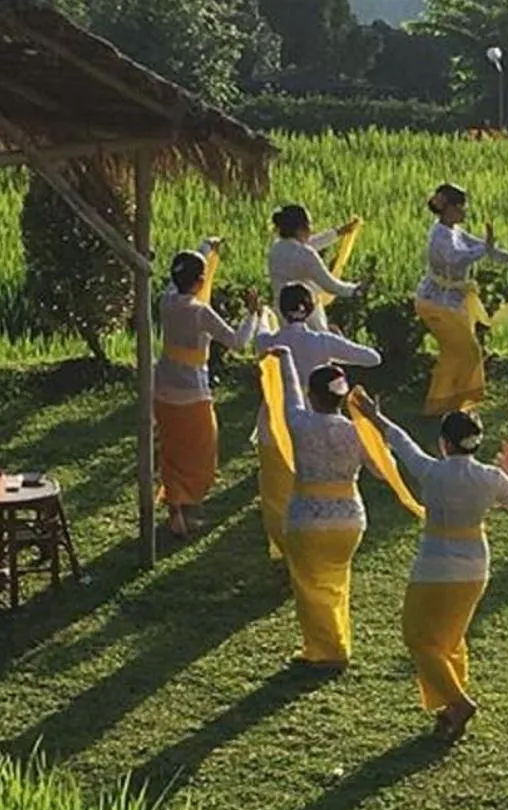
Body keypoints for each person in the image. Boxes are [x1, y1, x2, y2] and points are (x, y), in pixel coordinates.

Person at [364, 401, 508, 739]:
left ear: (444, 443)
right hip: (475, 566)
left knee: (417, 637)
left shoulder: (432, 471)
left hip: (435, 565)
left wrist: (373, 415)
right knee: (449, 640)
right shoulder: (491, 477)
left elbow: (400, 441)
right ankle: (449, 707)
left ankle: (458, 701)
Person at [253, 283, 382, 559]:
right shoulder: (323, 342)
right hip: (321, 422)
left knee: (277, 493)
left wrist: (261, 314)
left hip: (275, 424)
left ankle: (287, 547)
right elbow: (373, 358)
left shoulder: (269, 342)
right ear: (310, 309)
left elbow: (259, 336)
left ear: (282, 310)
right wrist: (337, 341)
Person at [269, 351, 370, 669]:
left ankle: (326, 650)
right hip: (349, 518)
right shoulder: (357, 431)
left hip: (307, 518)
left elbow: (289, 391)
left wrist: (286, 358)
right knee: (337, 581)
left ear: (313, 395)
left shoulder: (300, 423)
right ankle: (334, 642)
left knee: (310, 587)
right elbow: (381, 470)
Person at [155, 242, 258, 539]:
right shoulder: (201, 312)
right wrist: (253, 315)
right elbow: (238, 343)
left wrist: (206, 249)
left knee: (172, 449)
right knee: (202, 453)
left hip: (164, 386)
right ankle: (187, 506)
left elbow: (181, 276)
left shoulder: (167, 300)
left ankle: (175, 504)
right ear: (200, 282)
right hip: (192, 391)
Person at [415, 182, 508, 416]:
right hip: (436, 303)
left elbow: (482, 248)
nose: (465, 212)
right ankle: (447, 402)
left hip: (450, 302)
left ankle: (446, 404)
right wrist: (485, 248)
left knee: (454, 353)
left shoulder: (455, 231)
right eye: (461, 207)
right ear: (449, 209)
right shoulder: (440, 235)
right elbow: (456, 259)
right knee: (467, 352)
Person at [267, 204, 361, 333]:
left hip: (284, 318)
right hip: (309, 319)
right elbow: (331, 286)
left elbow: (308, 244)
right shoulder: (306, 255)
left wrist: (337, 233)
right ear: (300, 229)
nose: (312, 230)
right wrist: (356, 290)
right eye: (310, 225)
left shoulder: (276, 250)